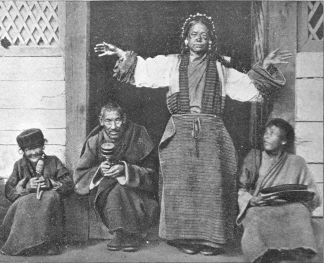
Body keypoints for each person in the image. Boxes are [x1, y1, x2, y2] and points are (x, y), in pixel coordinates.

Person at [94, 13, 292, 255]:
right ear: (186, 40)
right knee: (181, 185)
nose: (199, 39)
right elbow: (144, 69)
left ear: (210, 41)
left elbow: (248, 88)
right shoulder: (172, 63)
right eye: (194, 35)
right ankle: (184, 238)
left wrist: (266, 67)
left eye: (204, 36)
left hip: (212, 134)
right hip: (179, 133)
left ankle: (212, 240)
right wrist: (121, 54)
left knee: (214, 185)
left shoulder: (221, 68)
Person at [74, 101, 159, 252]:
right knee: (113, 192)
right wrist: (100, 170)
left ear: (124, 118)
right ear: (101, 121)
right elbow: (81, 176)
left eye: (117, 120)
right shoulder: (95, 141)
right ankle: (119, 234)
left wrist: (126, 170)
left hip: (137, 192)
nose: (113, 126)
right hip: (104, 190)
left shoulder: (138, 135)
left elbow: (152, 172)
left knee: (120, 189)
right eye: (108, 121)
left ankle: (131, 234)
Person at [237, 118, 321, 263]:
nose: (266, 136)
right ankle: (262, 255)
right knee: (254, 215)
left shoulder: (297, 162)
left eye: (272, 133)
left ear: (283, 140)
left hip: (288, 207)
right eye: (265, 133)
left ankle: (294, 253)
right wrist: (251, 199)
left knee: (300, 211)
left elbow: (314, 196)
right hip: (260, 206)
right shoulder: (254, 157)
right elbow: (241, 189)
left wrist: (301, 198)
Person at [0, 128, 73, 256]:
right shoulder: (19, 165)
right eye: (28, 149)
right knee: (25, 202)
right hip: (27, 208)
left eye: (36, 147)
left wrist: (50, 183)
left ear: (43, 145)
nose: (33, 152)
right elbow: (9, 191)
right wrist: (26, 188)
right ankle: (24, 244)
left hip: (49, 204)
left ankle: (48, 243)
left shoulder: (53, 161)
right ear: (22, 151)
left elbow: (68, 182)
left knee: (51, 197)